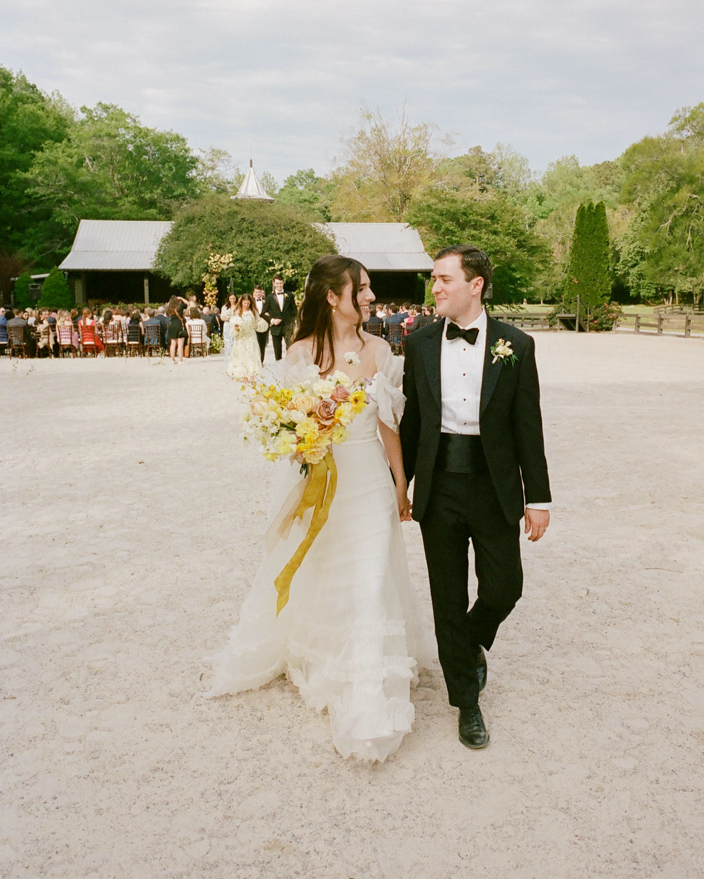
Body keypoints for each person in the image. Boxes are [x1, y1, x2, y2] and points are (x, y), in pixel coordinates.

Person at [208, 255, 433, 762]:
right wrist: (301, 439)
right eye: (363, 288)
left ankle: (368, 691)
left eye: (371, 288)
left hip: (370, 482)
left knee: (371, 578)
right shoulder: (299, 353)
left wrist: (401, 484)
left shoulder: (380, 351)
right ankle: (325, 655)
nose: (372, 297)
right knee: (323, 568)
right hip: (322, 480)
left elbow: (388, 425)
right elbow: (286, 430)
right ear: (333, 297)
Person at [400, 244, 552, 751]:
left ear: (476, 284)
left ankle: (466, 644)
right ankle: (467, 702)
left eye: (444, 278)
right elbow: (411, 423)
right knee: (447, 598)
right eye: (434, 279)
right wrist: (398, 486)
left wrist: (540, 498)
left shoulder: (517, 345)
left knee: (505, 586)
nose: (435, 287)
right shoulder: (419, 344)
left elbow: (528, 427)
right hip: (438, 486)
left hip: (494, 488)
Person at [227, 293, 267, 381]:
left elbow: (258, 321)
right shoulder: (237, 311)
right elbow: (233, 322)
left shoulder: (253, 311)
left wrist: (261, 324)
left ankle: (251, 374)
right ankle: (244, 375)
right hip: (241, 336)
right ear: (241, 303)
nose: (246, 305)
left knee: (251, 354)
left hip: (251, 335)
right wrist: (236, 326)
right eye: (244, 303)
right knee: (242, 355)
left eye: (248, 303)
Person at [263, 275, 297, 361]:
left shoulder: (289, 295)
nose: (279, 285)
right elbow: (263, 313)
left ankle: (290, 365)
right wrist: (272, 320)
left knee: (290, 348)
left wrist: (293, 323)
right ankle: (279, 369)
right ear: (274, 284)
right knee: (277, 352)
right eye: (277, 283)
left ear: (283, 283)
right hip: (276, 328)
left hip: (288, 327)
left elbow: (294, 311)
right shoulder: (269, 297)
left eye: (280, 283)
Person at [166, 296, 187, 364]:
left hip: (172, 325)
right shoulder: (180, 307)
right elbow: (187, 303)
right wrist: (181, 298)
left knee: (173, 343)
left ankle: (173, 359)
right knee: (180, 344)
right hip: (179, 325)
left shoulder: (170, 309)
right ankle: (180, 360)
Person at [252, 284, 269, 363]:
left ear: (261, 293)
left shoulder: (266, 301)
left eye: (259, 292)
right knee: (253, 344)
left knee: (262, 344)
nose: (258, 294)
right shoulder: (251, 302)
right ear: (254, 293)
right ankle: (254, 361)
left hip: (263, 325)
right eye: (256, 292)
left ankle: (261, 361)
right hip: (253, 326)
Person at [220, 294, 238, 367]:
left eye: (234, 298)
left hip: (235, 325)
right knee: (228, 343)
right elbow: (222, 317)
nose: (232, 300)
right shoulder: (225, 307)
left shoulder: (238, 306)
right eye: (231, 299)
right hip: (228, 325)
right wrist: (228, 318)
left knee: (235, 343)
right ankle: (228, 360)